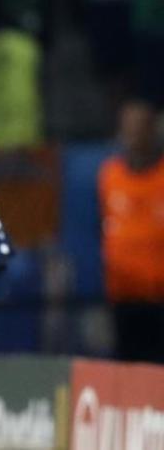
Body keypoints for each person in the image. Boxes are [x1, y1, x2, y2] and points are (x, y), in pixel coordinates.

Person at [97, 99, 164, 364]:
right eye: (127, 130)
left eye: (139, 129)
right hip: (121, 300)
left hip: (159, 301)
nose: (132, 137)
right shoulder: (109, 175)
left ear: (153, 131)